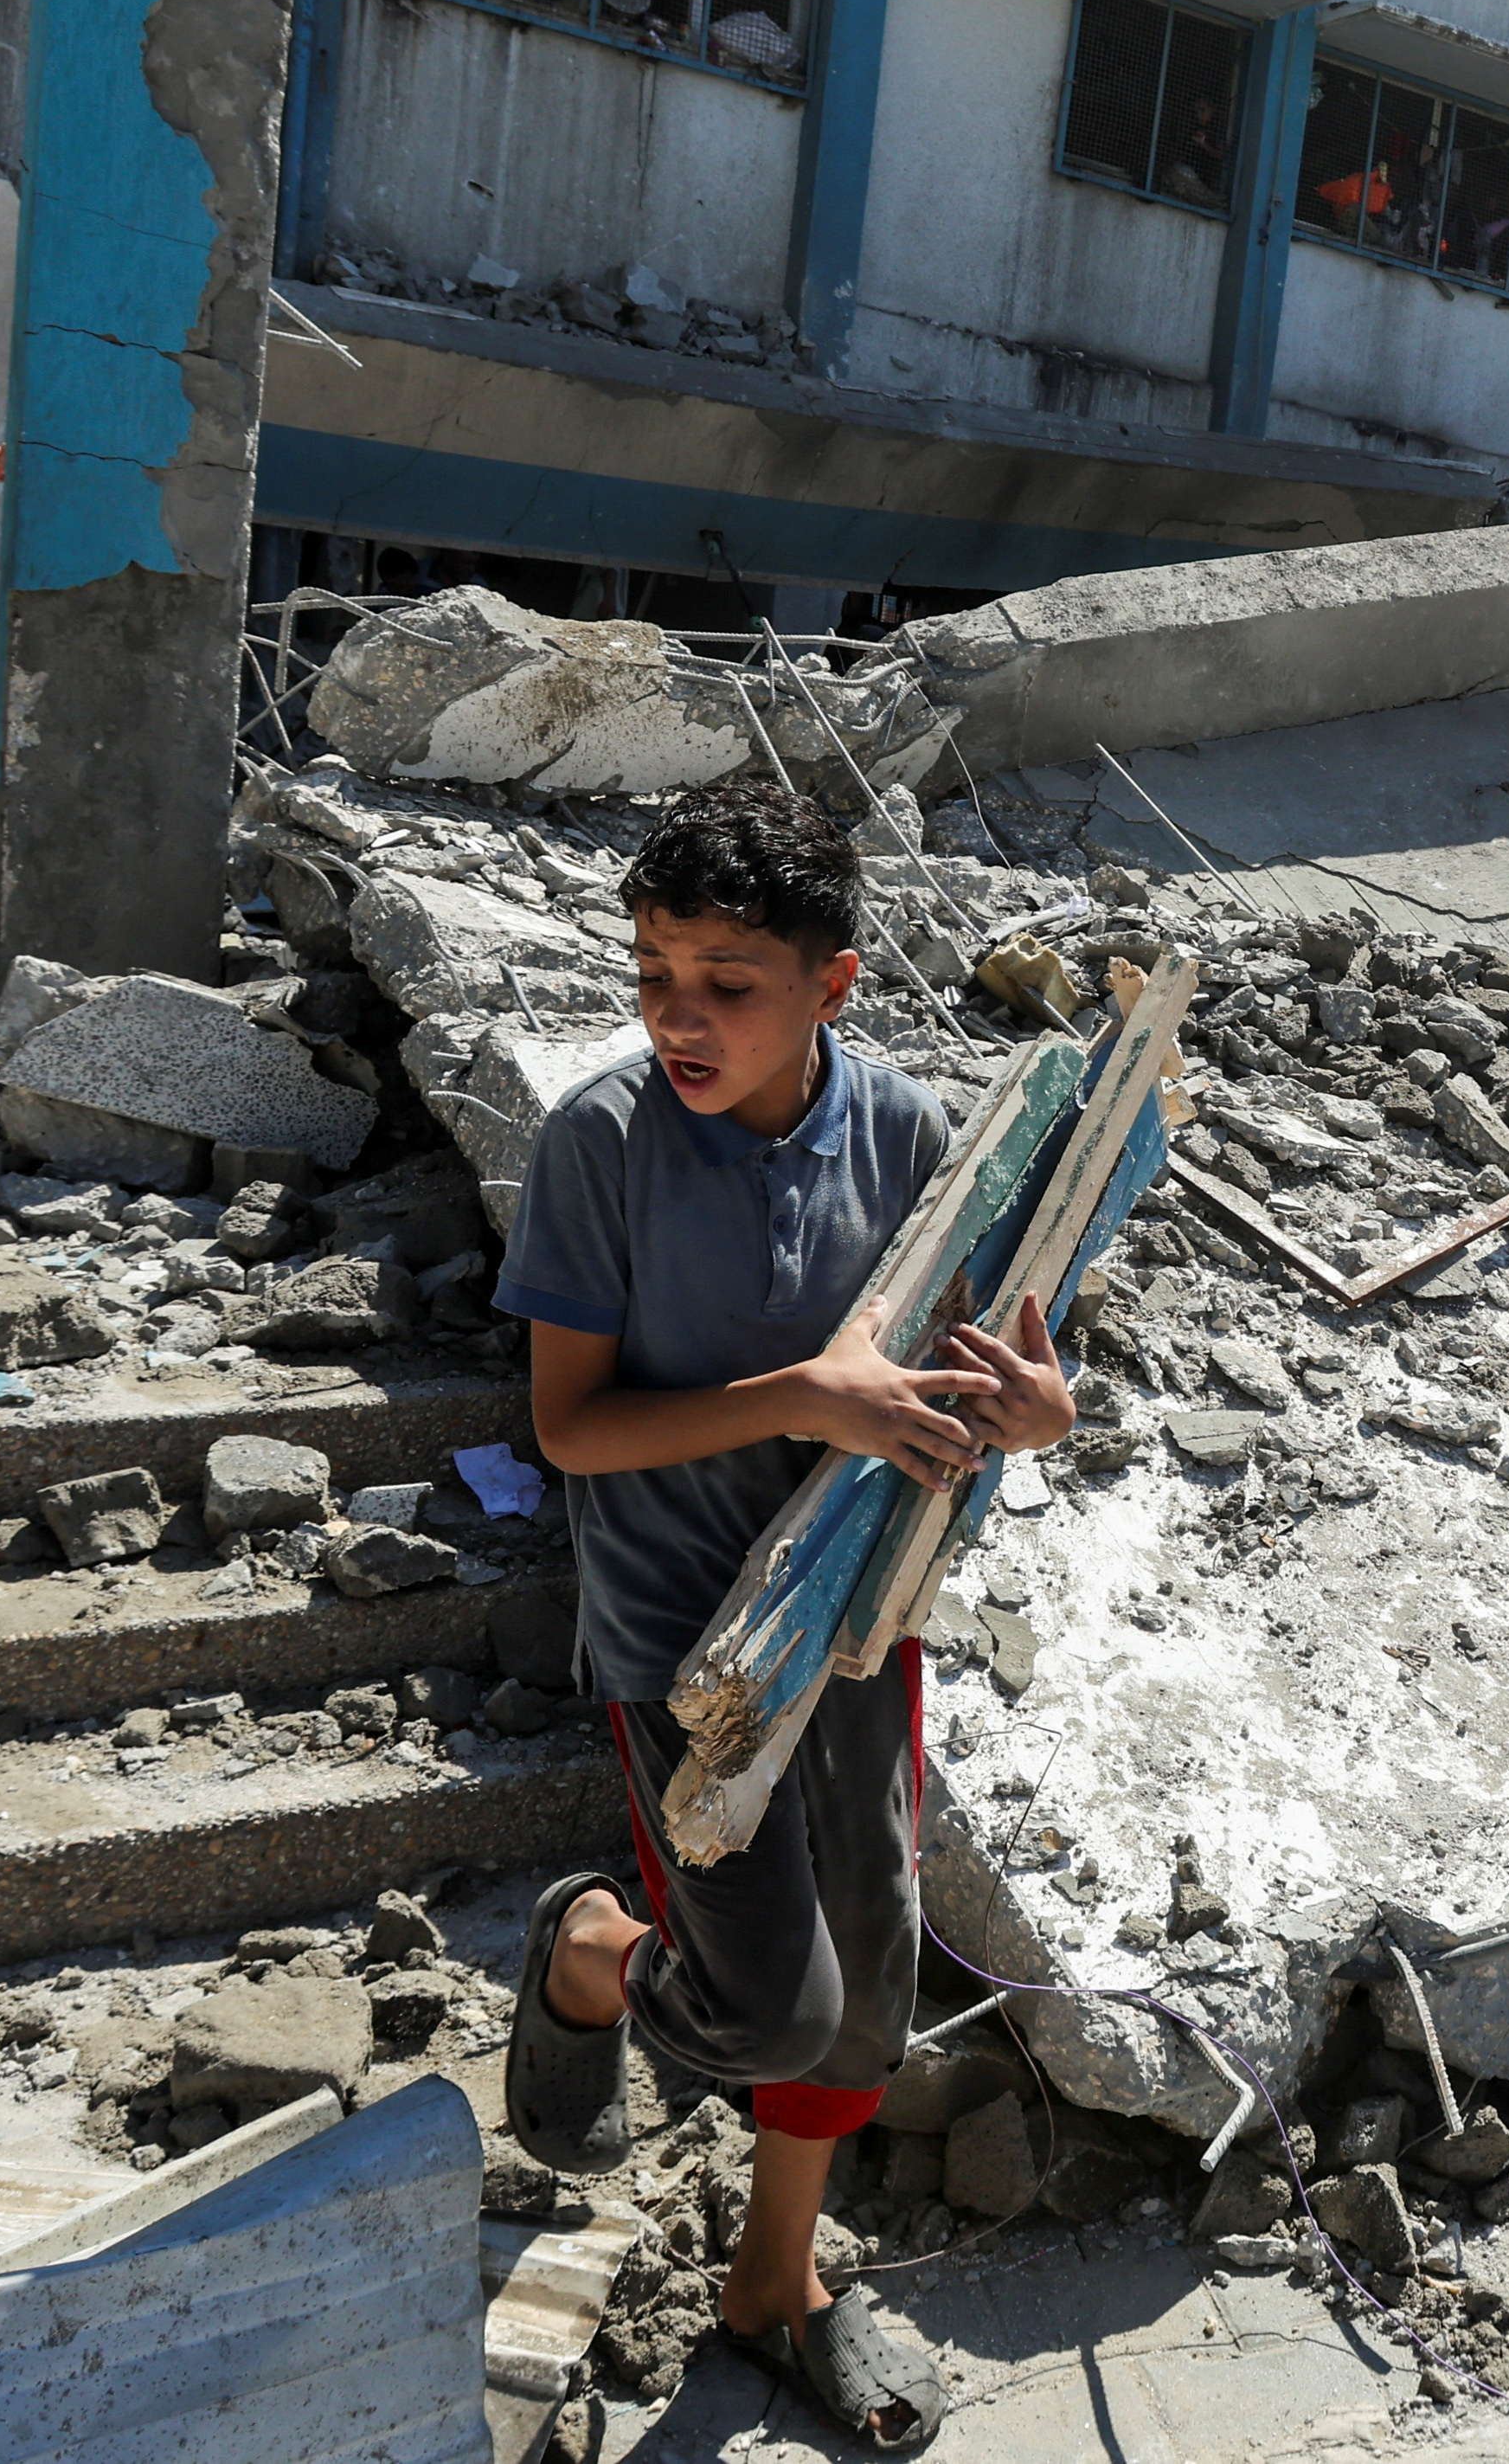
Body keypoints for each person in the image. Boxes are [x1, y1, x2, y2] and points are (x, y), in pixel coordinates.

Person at [493, 780, 1071, 2452]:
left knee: (868, 1995)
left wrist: (1040, 1413)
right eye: (652, 970)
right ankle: (592, 1950)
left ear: (835, 985)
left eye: (726, 982)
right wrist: (796, 1399)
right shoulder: (600, 1143)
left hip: (858, 1624)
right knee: (767, 2007)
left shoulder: (909, 1135)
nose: (678, 1015)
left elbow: (1003, 1369)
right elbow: (573, 1430)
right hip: (692, 1649)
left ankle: (774, 2283)